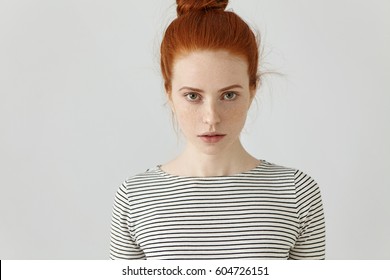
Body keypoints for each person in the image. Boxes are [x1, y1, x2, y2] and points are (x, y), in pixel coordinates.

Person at [109, 0, 325, 260]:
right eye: (192, 96)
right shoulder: (136, 198)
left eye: (229, 95)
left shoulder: (295, 192)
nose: (211, 118)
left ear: (252, 90)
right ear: (169, 92)